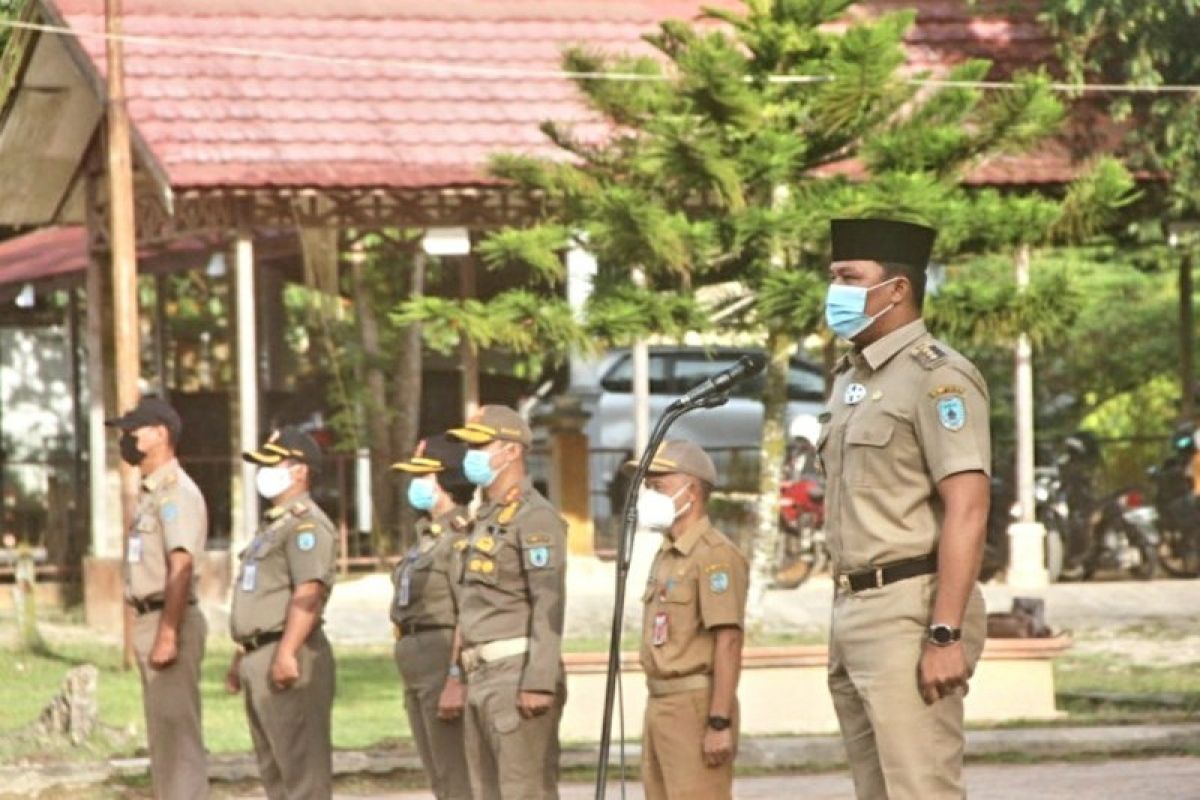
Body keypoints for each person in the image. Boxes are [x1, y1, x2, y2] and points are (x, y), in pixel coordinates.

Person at [819, 218, 992, 800]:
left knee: (922, 790)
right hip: (853, 607)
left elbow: (968, 507)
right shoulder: (852, 379)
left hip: (912, 608)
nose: (834, 292)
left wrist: (944, 633)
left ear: (896, 289)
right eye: (833, 276)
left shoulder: (939, 378)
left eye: (849, 277)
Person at [443, 404, 568, 800]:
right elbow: (470, 605)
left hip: (516, 673)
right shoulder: (484, 518)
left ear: (512, 451)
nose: (471, 456)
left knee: (523, 792)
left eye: (480, 445)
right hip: (480, 672)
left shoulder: (535, 517)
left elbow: (549, 603)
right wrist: (457, 674)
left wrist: (539, 681)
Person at [631, 440, 748, 800]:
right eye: (648, 486)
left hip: (695, 703)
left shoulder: (715, 556)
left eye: (659, 485)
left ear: (692, 491)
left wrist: (718, 721)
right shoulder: (667, 554)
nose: (650, 494)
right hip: (659, 702)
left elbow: (728, 642)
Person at [225, 426, 338, 799]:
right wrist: (241, 655)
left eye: (273, 463)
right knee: (276, 772)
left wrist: (287, 652)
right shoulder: (273, 526)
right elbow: (261, 594)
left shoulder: (307, 524)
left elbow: (309, 591)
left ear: (299, 470)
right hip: (261, 652)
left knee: (303, 775)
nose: (263, 472)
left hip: (289, 652)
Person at [106, 396, 209, 800]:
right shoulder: (151, 494)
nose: (126, 438)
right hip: (151, 619)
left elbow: (180, 564)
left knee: (178, 738)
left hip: (171, 619)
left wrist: (168, 632)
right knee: (164, 737)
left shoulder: (175, 493)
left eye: (134, 430)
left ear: (160, 434)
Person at [390, 434, 475, 800]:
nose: (417, 484)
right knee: (438, 775)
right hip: (417, 660)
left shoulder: (460, 538)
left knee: (455, 774)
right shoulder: (425, 537)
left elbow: (467, 611)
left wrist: (456, 676)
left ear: (446, 481)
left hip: (442, 657)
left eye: (424, 475)